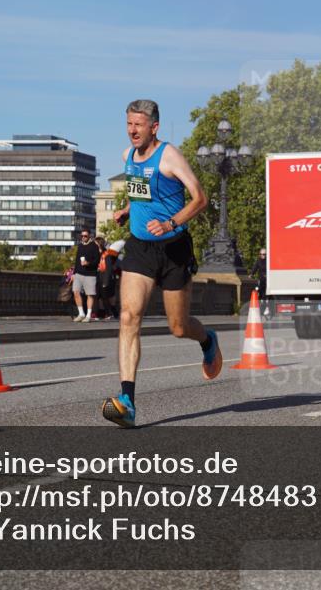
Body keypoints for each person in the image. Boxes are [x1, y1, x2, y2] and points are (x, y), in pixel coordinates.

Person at [101, 99, 222, 428]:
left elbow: (200, 197)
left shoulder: (169, 156)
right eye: (128, 124)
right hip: (140, 248)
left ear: (154, 127)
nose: (132, 131)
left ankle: (207, 340)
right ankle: (127, 400)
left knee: (178, 327)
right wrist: (128, 210)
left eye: (138, 125)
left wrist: (170, 223)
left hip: (174, 249)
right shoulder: (128, 157)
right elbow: (142, 192)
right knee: (128, 317)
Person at [72, 228, 101, 322]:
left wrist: (88, 263)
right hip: (79, 274)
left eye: (85, 236)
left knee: (90, 294)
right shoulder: (80, 246)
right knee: (76, 292)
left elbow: (97, 261)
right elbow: (77, 261)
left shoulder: (94, 246)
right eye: (82, 236)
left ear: (89, 236)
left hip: (90, 274)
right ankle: (81, 314)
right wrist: (74, 273)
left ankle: (88, 315)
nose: (83, 237)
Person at [96, 235, 120, 320]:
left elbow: (109, 267)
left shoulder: (107, 254)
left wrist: (106, 281)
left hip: (107, 277)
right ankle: (103, 313)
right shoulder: (99, 253)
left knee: (107, 296)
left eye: (96, 244)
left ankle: (110, 313)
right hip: (100, 276)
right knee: (100, 296)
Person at [250, 248, 269, 317]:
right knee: (259, 292)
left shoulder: (268, 261)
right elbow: (255, 267)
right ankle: (260, 307)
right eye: (261, 254)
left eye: (264, 254)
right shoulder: (258, 261)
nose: (262, 256)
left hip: (267, 280)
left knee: (266, 294)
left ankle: (267, 308)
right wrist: (251, 274)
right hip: (261, 280)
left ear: (266, 255)